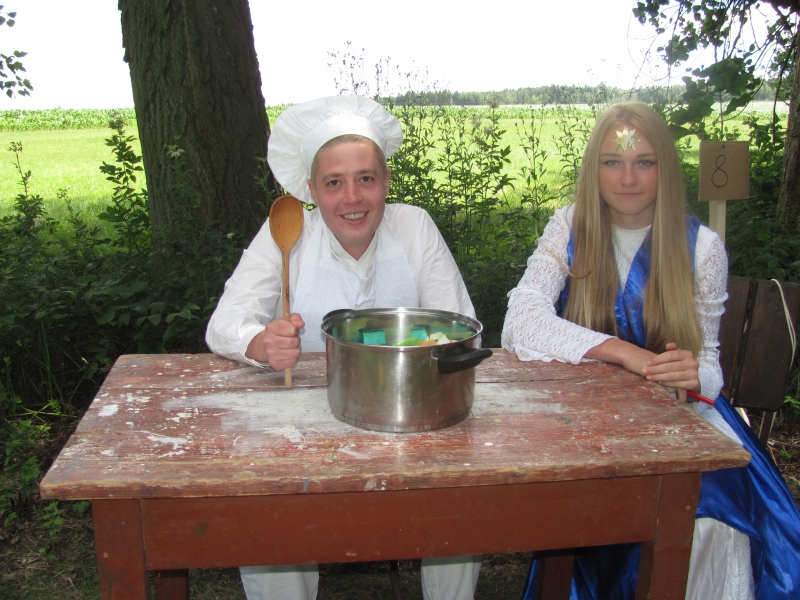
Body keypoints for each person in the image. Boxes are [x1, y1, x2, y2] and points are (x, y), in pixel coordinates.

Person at [502, 101, 800, 599]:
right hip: (588, 425)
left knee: (707, 519)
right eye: (612, 162)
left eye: (644, 162)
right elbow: (520, 322)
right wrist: (626, 353)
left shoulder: (702, 247)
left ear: (666, 168)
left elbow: (710, 366)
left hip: (681, 425)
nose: (628, 178)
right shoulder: (569, 226)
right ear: (593, 168)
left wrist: (692, 374)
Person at [206, 95, 481, 600]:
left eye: (365, 178)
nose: (352, 197)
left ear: (386, 181)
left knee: (459, 496)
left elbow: (461, 326)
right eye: (333, 183)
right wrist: (260, 342)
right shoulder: (286, 235)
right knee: (266, 504)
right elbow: (224, 322)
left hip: (411, 416)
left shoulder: (414, 227)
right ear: (311, 190)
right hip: (305, 428)